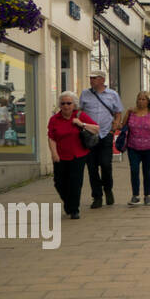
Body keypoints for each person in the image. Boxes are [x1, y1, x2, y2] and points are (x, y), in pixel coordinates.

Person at [47, 92, 98, 220]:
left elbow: (96, 129)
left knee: (75, 183)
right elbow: (51, 138)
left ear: (74, 104)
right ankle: (68, 203)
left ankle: (74, 209)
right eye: (63, 103)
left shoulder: (80, 116)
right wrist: (54, 153)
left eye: (68, 103)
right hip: (60, 156)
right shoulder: (54, 119)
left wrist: (81, 124)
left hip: (78, 155)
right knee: (59, 183)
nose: (66, 106)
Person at [79, 70, 124, 209]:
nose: (91, 80)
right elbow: (79, 111)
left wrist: (113, 128)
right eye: (90, 78)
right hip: (89, 136)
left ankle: (108, 189)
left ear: (102, 80)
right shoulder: (85, 94)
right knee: (92, 167)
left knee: (105, 164)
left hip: (106, 134)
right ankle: (97, 196)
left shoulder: (113, 94)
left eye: (94, 78)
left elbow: (118, 113)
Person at [115, 91, 150, 206]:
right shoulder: (131, 112)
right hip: (133, 146)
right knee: (134, 170)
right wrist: (114, 122)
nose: (141, 101)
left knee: (147, 171)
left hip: (149, 147)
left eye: (143, 99)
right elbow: (122, 126)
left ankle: (147, 195)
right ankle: (135, 195)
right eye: (139, 99)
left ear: (148, 101)